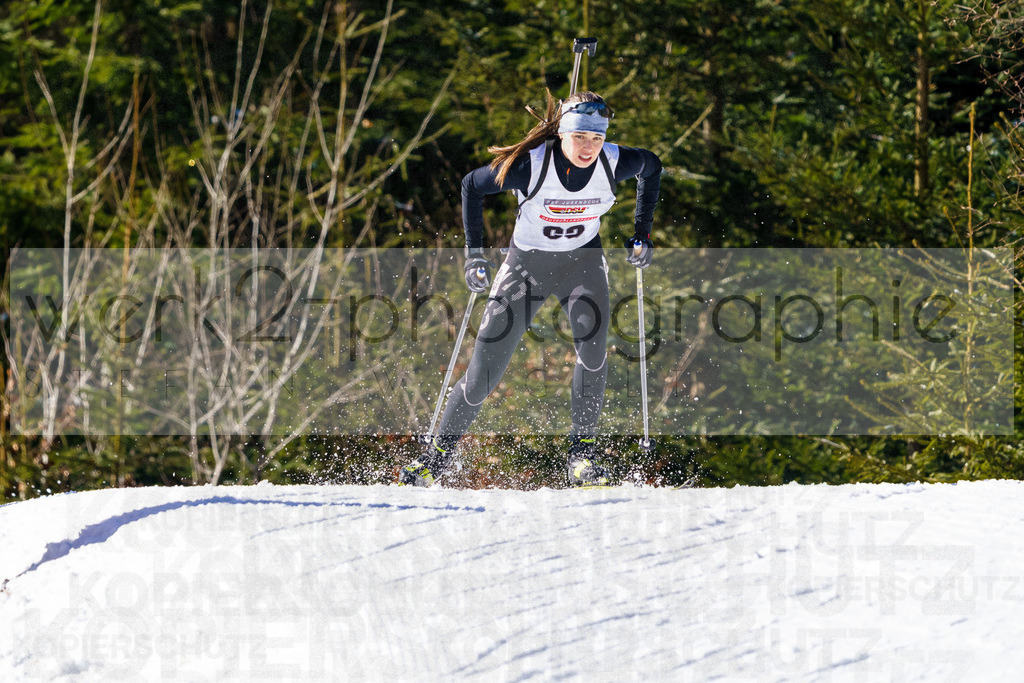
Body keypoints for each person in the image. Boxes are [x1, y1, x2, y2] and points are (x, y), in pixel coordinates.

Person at [400, 90, 662, 487]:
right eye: (579, 137)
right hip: (528, 267)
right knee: (484, 372)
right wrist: (475, 255)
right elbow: (473, 185)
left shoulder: (615, 160)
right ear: (562, 134)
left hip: (582, 265)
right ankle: (434, 459)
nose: (589, 147)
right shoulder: (531, 167)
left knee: (593, 351)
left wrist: (642, 233)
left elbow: (653, 167)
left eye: (596, 138)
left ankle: (582, 458)